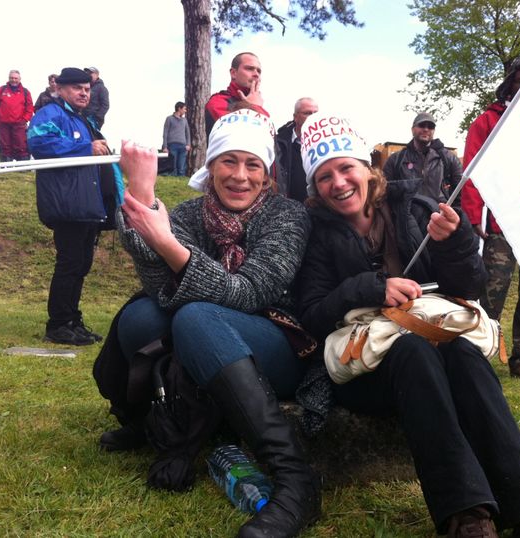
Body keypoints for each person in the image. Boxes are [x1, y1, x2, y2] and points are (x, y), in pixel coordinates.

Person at [297, 112, 520, 538]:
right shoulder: (316, 233)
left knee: (462, 352)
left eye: (346, 167)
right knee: (414, 352)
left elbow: (471, 284)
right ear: (316, 187)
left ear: (367, 169)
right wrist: (370, 287)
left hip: (437, 343)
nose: (338, 183)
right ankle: (466, 516)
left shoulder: (416, 207)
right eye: (324, 176)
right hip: (369, 369)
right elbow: (310, 315)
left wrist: (455, 241)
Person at [104, 109, 320, 538]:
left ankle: (296, 479)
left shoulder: (288, 216)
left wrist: (166, 243)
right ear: (211, 165)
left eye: (252, 164)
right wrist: (143, 197)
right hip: (204, 335)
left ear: (267, 173)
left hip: (277, 343)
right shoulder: (186, 213)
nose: (240, 175)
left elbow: (249, 293)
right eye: (228, 161)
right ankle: (154, 421)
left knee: (196, 316)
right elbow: (156, 284)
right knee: (140, 316)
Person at [27, 67, 117, 346]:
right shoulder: (51, 113)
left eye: (87, 89)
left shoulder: (83, 120)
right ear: (61, 89)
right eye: (78, 88)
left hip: (87, 205)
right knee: (69, 263)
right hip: (67, 204)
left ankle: (72, 320)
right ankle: (58, 324)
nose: (84, 93)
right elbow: (38, 142)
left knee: (81, 264)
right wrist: (85, 148)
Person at [461, 54, 520, 379]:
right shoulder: (488, 122)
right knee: (492, 293)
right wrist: (474, 215)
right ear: (510, 82)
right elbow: (472, 171)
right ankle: (477, 354)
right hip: (500, 226)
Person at [383, 112, 463, 206]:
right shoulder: (396, 160)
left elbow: (460, 192)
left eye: (430, 127)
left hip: (438, 216)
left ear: (434, 131)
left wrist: (452, 214)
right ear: (412, 130)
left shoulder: (449, 158)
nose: (426, 129)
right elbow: (384, 192)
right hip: (407, 217)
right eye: (421, 125)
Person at [204, 52, 269, 137]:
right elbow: (238, 137)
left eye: (259, 71)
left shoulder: (258, 103)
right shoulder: (217, 102)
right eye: (249, 68)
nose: (256, 74)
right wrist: (254, 107)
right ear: (233, 73)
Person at [275, 97, 319, 202]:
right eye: (307, 113)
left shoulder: (325, 143)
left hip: (318, 209)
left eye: (315, 113)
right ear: (295, 117)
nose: (313, 117)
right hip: (287, 207)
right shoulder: (279, 142)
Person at [0, 69, 34, 161]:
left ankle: (23, 168)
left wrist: (25, 119)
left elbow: (30, 107)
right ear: (8, 78)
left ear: (20, 79)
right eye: (11, 78)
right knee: (5, 145)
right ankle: (5, 168)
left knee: (21, 144)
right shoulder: (2, 89)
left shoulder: (25, 92)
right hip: (3, 123)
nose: (13, 80)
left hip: (19, 124)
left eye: (15, 78)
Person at [161, 101, 191, 176]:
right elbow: (165, 133)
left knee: (181, 167)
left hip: (183, 146)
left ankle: (181, 183)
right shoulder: (169, 119)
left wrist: (188, 144)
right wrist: (165, 147)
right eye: (184, 109)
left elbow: (187, 133)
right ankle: (173, 183)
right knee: (173, 167)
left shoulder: (184, 120)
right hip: (172, 145)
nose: (185, 111)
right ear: (179, 109)